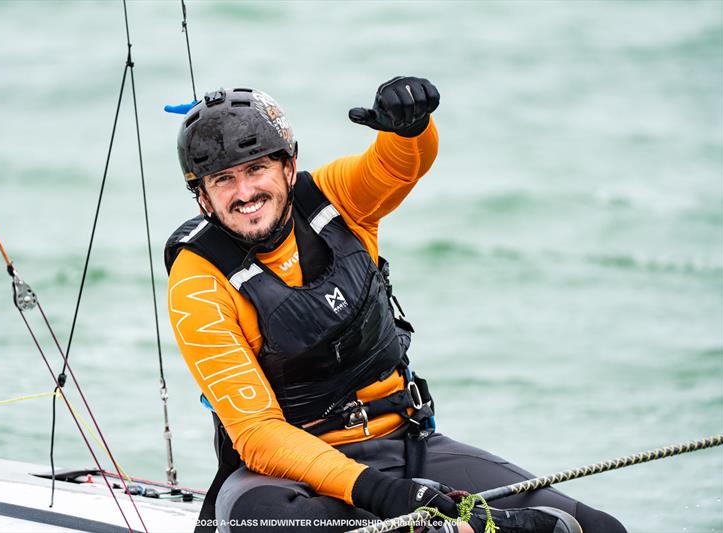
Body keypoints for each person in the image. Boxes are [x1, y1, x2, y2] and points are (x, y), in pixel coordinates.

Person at [165, 77, 626, 533]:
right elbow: (258, 433)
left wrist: (411, 128)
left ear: (289, 166)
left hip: (406, 445)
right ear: (203, 196)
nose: (244, 193)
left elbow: (398, 165)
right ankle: (449, 526)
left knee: (599, 527)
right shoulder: (197, 281)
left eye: (256, 169)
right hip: (289, 477)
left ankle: (451, 525)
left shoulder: (335, 198)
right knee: (263, 521)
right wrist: (384, 494)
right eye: (223, 180)